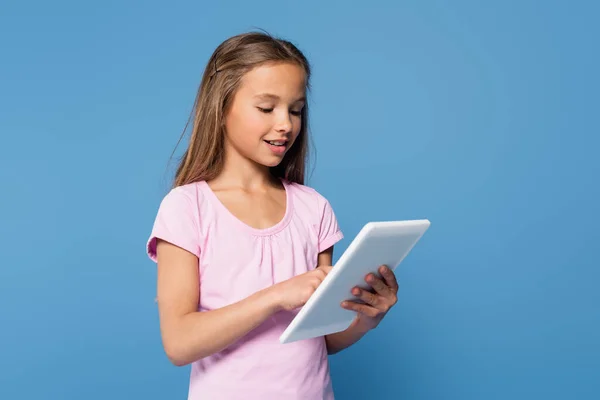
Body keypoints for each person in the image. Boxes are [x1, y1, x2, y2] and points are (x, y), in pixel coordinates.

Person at [145, 31, 399, 400]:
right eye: (267, 108)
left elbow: (321, 337)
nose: (286, 124)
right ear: (221, 107)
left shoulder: (314, 208)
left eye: (296, 110)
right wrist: (275, 296)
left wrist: (366, 319)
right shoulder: (187, 208)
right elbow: (179, 343)